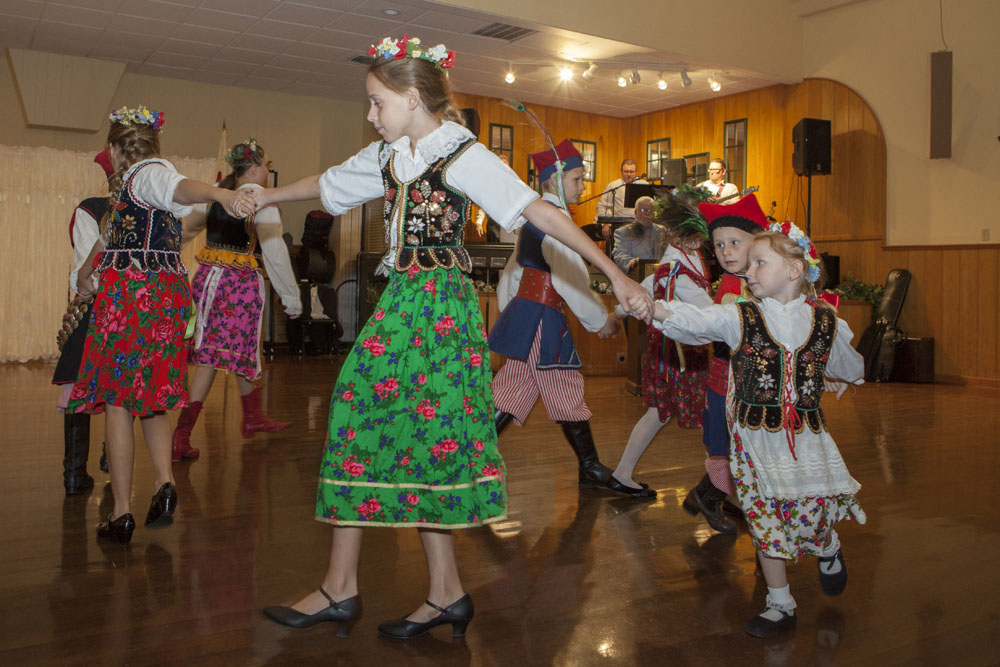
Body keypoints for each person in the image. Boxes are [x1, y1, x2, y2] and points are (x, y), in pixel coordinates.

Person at [245, 36, 652, 639]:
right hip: (403, 301)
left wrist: (615, 273)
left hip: (439, 308)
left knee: (402, 422)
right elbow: (330, 184)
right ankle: (427, 592)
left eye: (377, 102)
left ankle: (368, 589)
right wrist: (267, 194)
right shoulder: (390, 157)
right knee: (373, 418)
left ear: (412, 99)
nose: (370, 114)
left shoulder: (461, 155)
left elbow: (541, 214)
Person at [643, 222, 866, 638]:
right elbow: (694, 319)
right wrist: (654, 307)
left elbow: (849, 364)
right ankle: (780, 603)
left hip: (807, 438)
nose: (749, 270)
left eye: (760, 262)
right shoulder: (740, 315)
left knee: (810, 510)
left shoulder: (825, 321)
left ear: (795, 270)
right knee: (764, 517)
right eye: (751, 264)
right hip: (754, 440)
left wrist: (842, 377)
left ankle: (827, 544)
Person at [67, 106, 244, 544]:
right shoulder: (126, 193)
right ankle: (164, 484)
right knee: (151, 394)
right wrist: (87, 275)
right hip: (163, 299)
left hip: (133, 299)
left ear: (114, 149)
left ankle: (123, 512)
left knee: (116, 402)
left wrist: (220, 195)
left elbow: (178, 188)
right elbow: (109, 239)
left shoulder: (148, 174)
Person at [489, 139, 621, 490]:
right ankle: (590, 468)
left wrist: (510, 310)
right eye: (577, 179)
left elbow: (512, 272)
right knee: (562, 385)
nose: (582, 187)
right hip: (542, 321)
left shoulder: (531, 219)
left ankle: (468, 459)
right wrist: (602, 321)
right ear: (554, 180)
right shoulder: (555, 223)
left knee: (511, 391)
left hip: (528, 315)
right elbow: (571, 279)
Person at [171, 138, 302, 462]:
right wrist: (291, 296)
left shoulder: (216, 195)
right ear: (255, 168)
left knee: (239, 351)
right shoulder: (260, 203)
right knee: (212, 359)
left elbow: (186, 230)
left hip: (206, 280)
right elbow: (274, 251)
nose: (268, 173)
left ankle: (252, 416)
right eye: (267, 166)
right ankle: (181, 435)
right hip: (237, 287)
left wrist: (165, 254)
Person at [606, 195, 712, 498]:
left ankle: (623, 473)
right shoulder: (677, 267)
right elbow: (709, 311)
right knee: (706, 415)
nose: (701, 241)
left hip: (665, 353)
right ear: (684, 235)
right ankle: (721, 488)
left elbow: (639, 294)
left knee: (659, 413)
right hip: (682, 356)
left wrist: (615, 315)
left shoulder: (672, 263)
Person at [682, 195, 769, 534]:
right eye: (719, 245)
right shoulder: (734, 285)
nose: (727, 251)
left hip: (748, 384)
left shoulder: (757, 280)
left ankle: (710, 496)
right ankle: (714, 497)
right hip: (728, 384)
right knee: (733, 448)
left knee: (743, 449)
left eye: (735, 242)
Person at [52, 150, 114, 495]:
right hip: (106, 308)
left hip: (94, 305)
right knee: (101, 385)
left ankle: (80, 472)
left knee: (83, 387)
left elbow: (83, 269)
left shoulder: (90, 208)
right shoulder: (93, 208)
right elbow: (86, 269)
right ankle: (96, 464)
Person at [612, 195, 668, 273]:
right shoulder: (623, 232)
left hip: (659, 275)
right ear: (635, 212)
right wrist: (631, 262)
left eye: (650, 211)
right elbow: (619, 254)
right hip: (635, 276)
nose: (647, 214)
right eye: (643, 210)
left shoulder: (662, 230)